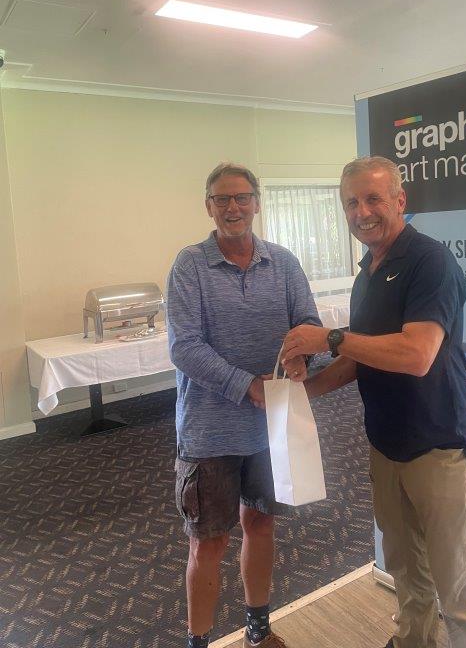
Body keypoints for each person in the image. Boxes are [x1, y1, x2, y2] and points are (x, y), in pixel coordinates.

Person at [282, 156, 466, 648]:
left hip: (439, 447)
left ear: (400, 200)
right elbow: (360, 358)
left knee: (457, 582)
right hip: (385, 446)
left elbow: (416, 355)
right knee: (405, 569)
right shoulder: (367, 274)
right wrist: (299, 393)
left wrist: (329, 337)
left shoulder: (429, 261)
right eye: (351, 203)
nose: (362, 212)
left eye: (373, 198)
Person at [167, 162, 320, 648]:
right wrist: (247, 385)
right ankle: (199, 641)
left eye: (242, 197)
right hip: (210, 432)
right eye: (222, 199)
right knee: (208, 542)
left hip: (270, 428)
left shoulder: (284, 262)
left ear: (256, 202)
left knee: (261, 523)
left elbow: (308, 323)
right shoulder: (190, 265)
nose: (233, 207)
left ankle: (258, 627)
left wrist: (302, 357)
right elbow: (184, 347)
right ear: (208, 206)